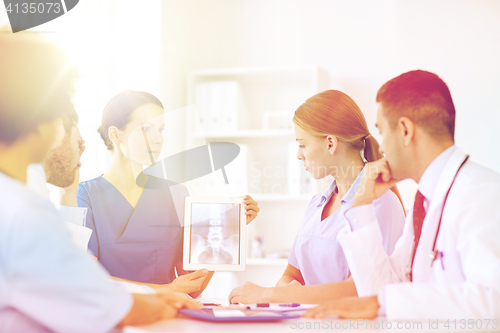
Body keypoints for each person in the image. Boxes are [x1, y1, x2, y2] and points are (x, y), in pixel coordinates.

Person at [0, 31, 198, 333]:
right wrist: (163, 297)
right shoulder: (26, 214)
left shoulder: (17, 201)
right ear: (44, 122)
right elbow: (102, 300)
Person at [303, 70, 500, 320]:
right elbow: (381, 289)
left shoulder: (481, 193)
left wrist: (384, 303)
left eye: (383, 132)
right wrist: (361, 206)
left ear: (405, 130)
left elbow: (493, 302)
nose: (381, 146)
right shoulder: (425, 202)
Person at [229, 90, 406, 304]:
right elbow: (292, 275)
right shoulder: (316, 205)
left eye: (302, 144)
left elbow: (363, 289)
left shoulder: (381, 204)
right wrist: (286, 290)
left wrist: (270, 294)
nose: (298, 154)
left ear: (330, 143)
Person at [78, 90, 260, 296]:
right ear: (115, 134)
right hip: (113, 320)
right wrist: (167, 290)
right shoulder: (85, 196)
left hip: (168, 320)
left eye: (161, 130)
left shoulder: (176, 194)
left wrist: (230, 225)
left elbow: (192, 287)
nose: (158, 139)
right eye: (146, 128)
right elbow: (88, 280)